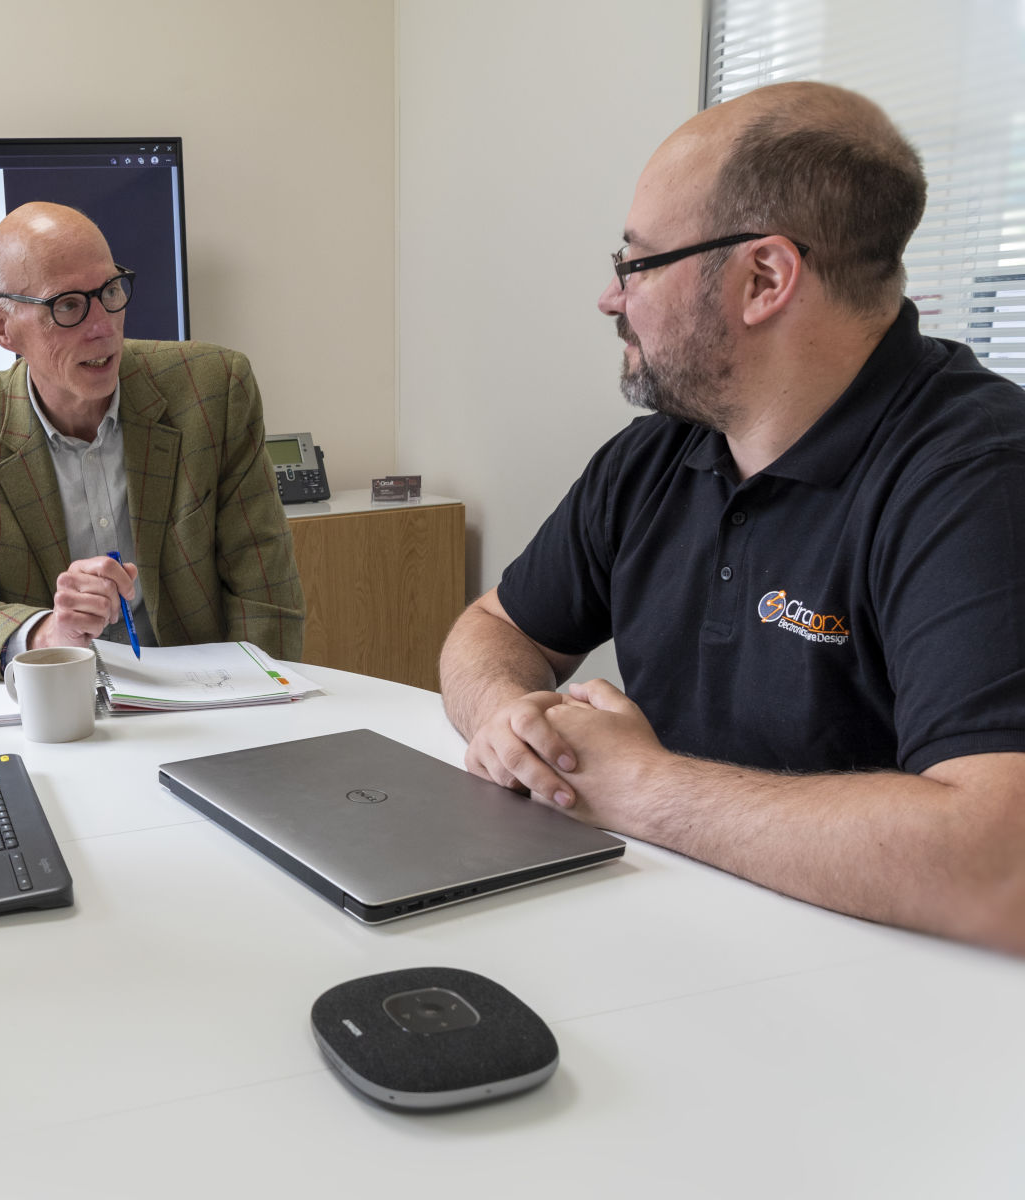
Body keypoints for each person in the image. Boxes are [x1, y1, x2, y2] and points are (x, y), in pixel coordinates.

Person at [438, 82, 1025, 956]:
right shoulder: (655, 458)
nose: (611, 297)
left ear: (763, 278)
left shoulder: (978, 479)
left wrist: (640, 786)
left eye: (636, 263)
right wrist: (511, 722)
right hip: (681, 937)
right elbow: (491, 627)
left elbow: (998, 863)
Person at [0, 202, 305, 679]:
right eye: (67, 305)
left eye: (111, 290)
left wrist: (263, 707)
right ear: (3, 328)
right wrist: (47, 633)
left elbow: (265, 592)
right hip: (55, 706)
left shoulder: (213, 391)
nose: (102, 326)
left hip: (205, 698)